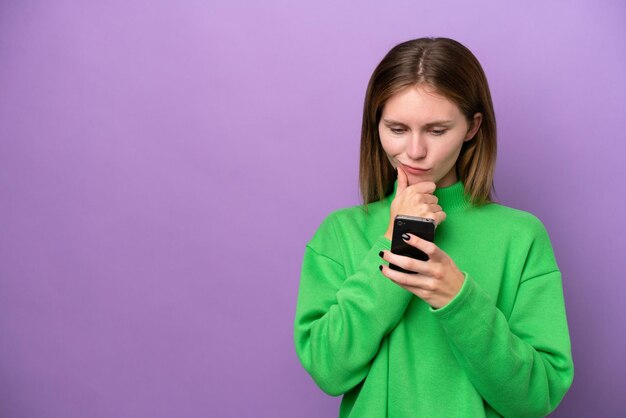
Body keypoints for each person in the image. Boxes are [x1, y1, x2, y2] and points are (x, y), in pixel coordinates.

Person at [293, 37, 574, 417]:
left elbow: (533, 399)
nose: (415, 151)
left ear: (472, 127)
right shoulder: (340, 232)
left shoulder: (520, 237)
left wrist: (458, 299)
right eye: (396, 128)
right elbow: (328, 369)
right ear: (376, 126)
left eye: (437, 131)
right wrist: (395, 242)